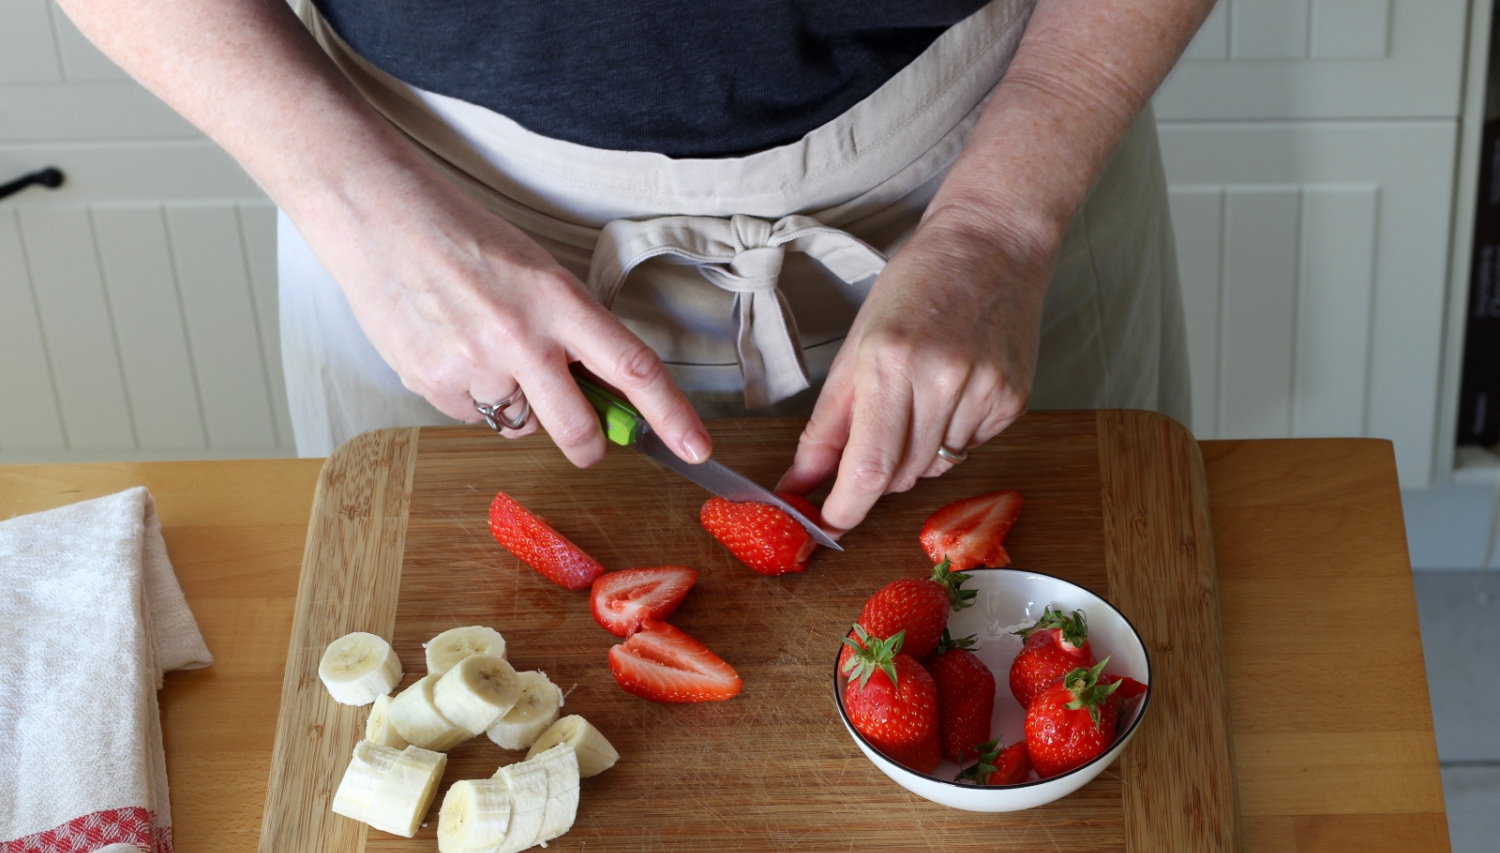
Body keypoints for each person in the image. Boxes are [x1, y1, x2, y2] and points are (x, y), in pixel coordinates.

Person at [59, 0, 1213, 533]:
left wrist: (999, 229)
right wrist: (361, 211)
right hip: (418, 224)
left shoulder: (999, 218)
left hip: (988, 167)